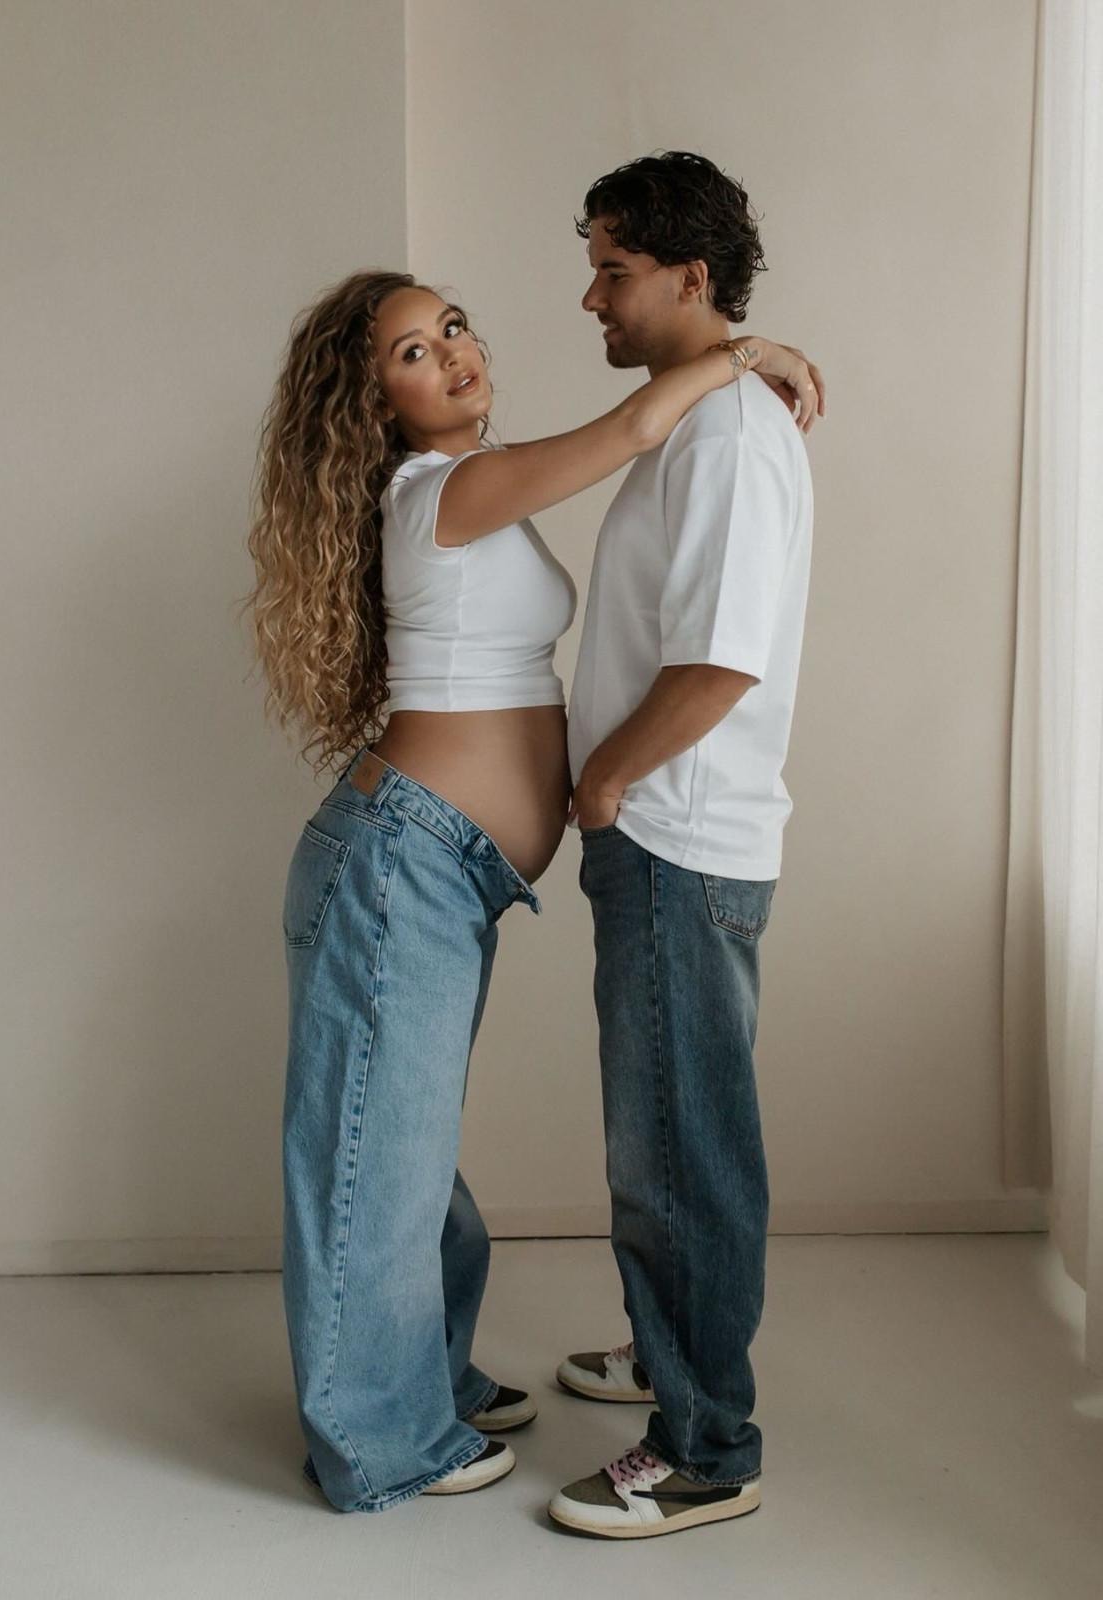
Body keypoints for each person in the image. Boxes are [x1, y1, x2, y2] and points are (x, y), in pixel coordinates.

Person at [244, 265, 820, 1514]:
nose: (453, 351)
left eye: (452, 327)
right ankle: (383, 1438)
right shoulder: (439, 491)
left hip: (441, 866)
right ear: (373, 401)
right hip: (401, 859)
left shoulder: (478, 487)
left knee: (402, 1142)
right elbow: (632, 427)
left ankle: (426, 1371)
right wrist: (741, 354)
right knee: (372, 1152)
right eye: (412, 350)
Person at [547, 151, 821, 1540]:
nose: (591, 297)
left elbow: (717, 664)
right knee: (668, 1131)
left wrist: (603, 781)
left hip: (674, 836)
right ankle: (672, 1355)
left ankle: (706, 1446)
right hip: (671, 837)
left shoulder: (727, 441)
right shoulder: (706, 417)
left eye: (614, 270)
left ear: (689, 277)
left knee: (681, 1152)